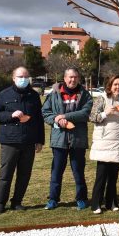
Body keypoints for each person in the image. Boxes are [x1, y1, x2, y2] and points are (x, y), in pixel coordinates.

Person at [0, 66, 44, 213]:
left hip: (28, 141)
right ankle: (0, 203)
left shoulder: (34, 95)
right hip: (10, 141)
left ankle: (17, 202)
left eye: (26, 77)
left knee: (24, 174)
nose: (23, 79)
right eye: (20, 77)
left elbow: (39, 120)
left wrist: (40, 140)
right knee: (6, 174)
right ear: (13, 78)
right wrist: (11, 115)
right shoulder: (4, 94)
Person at [42, 67, 93, 210]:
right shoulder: (54, 94)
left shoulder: (85, 95)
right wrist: (56, 120)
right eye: (70, 77)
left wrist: (64, 117)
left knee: (78, 171)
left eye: (75, 77)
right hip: (59, 140)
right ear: (64, 78)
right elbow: (45, 113)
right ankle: (53, 199)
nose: (73, 80)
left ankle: (81, 198)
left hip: (78, 140)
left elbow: (85, 113)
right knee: (56, 172)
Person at [88, 75, 119, 214]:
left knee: (114, 176)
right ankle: (96, 203)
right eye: (115, 84)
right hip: (104, 143)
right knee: (101, 176)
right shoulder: (102, 98)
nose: (118, 87)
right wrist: (105, 113)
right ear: (110, 86)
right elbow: (92, 117)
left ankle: (111, 202)